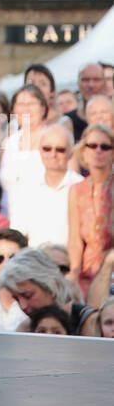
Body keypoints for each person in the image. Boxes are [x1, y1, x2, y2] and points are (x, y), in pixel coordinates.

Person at [0, 247, 100, 335]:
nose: (23, 306)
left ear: (52, 287)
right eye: (16, 299)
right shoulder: (25, 329)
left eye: (28, 296)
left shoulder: (89, 322)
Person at [12, 121, 82, 247]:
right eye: (47, 149)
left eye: (60, 149)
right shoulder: (25, 186)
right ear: (39, 151)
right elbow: (18, 233)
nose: (53, 154)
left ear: (70, 153)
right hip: (33, 260)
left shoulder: (81, 187)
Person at [67, 122, 114, 296]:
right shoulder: (77, 190)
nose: (98, 151)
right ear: (83, 151)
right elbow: (75, 239)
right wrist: (74, 271)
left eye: (105, 146)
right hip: (86, 272)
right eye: (92, 145)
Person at [0, 84, 48, 220]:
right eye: (21, 104)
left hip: (44, 220)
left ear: (43, 108)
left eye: (32, 103)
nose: (26, 109)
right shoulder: (8, 144)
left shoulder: (54, 139)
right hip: (9, 221)